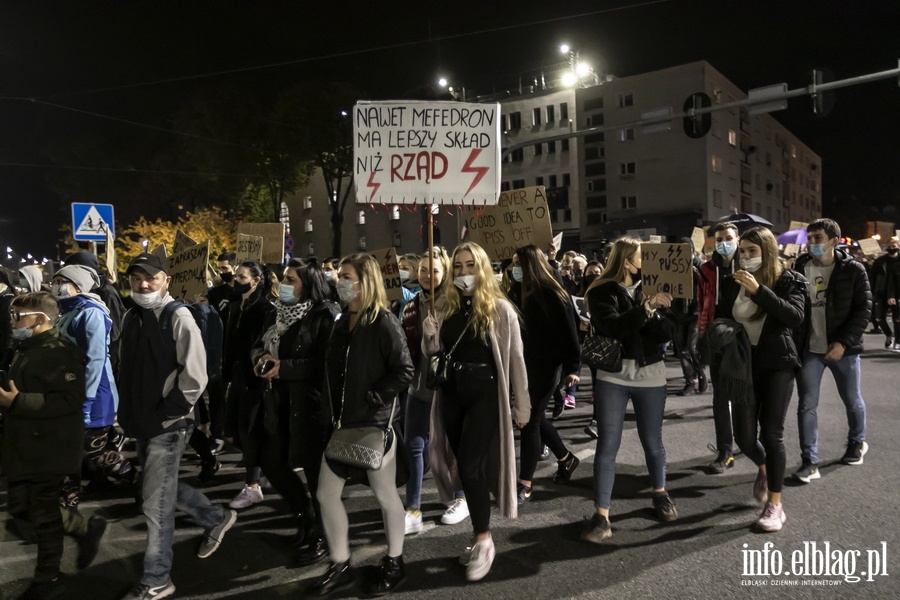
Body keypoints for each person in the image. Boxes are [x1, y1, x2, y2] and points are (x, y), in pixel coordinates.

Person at [119, 253, 237, 600]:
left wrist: (170, 413)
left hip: (169, 425)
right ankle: (214, 517)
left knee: (155, 505)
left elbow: (195, 375)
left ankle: (156, 578)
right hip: (142, 422)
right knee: (154, 491)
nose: (143, 284)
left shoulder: (178, 316)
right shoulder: (130, 316)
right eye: (136, 278)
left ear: (166, 281)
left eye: (151, 278)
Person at [307, 253, 413, 597]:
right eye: (340, 276)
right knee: (326, 494)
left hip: (373, 425)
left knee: (385, 497)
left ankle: (395, 562)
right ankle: (340, 563)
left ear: (365, 281)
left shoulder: (383, 322)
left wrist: (376, 399)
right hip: (341, 424)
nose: (340, 282)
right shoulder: (341, 322)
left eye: (347, 276)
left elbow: (404, 370)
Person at [423, 242, 530, 581]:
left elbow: (516, 361)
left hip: (485, 395)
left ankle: (484, 539)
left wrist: (521, 404)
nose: (463, 272)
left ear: (482, 268)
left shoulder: (500, 309)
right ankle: (479, 535)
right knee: (466, 468)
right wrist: (429, 339)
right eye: (458, 266)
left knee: (470, 466)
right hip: (452, 395)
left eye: (470, 265)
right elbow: (435, 356)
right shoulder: (444, 306)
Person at [581, 238, 677, 544]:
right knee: (608, 444)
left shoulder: (664, 285)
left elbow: (668, 332)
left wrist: (657, 310)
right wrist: (646, 307)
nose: (647, 264)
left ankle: (660, 493)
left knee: (652, 440)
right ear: (626, 261)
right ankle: (601, 516)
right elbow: (613, 328)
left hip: (651, 374)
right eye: (641, 258)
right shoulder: (600, 290)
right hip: (614, 375)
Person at [715, 226, 807, 532]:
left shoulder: (789, 279)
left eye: (751, 251)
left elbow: (793, 317)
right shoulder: (732, 282)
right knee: (743, 436)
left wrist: (758, 290)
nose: (745, 257)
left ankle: (775, 506)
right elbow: (723, 315)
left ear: (767, 251)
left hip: (778, 363)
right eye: (742, 251)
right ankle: (766, 468)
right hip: (743, 365)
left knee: (772, 434)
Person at [251, 258, 340, 566]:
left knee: (318, 478)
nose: (284, 285)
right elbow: (259, 344)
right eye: (284, 279)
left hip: (310, 407)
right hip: (278, 404)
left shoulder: (324, 315)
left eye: (291, 281)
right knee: (271, 462)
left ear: (308, 286)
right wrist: (260, 358)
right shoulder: (277, 313)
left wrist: (284, 368)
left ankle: (322, 538)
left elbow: (325, 364)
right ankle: (304, 515)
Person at [1, 292, 85, 599]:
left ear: (39, 319)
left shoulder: (59, 351)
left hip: (50, 445)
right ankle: (80, 527)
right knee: (21, 508)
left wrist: (17, 401)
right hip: (27, 443)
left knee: (42, 512)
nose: (13, 322)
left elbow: (71, 399)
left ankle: (48, 576)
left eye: (18, 316)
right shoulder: (28, 347)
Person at [793, 219, 871, 483]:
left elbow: (863, 310)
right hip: (810, 350)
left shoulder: (853, 270)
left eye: (817, 238)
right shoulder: (799, 266)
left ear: (833, 242)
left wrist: (844, 343)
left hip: (843, 349)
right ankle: (809, 461)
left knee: (852, 399)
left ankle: (857, 442)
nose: (812, 243)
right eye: (810, 238)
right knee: (806, 406)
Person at [399, 247, 470, 534]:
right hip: (418, 386)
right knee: (414, 445)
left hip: (447, 386)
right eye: (424, 270)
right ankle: (413, 508)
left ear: (446, 272)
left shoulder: (455, 303)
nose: (428, 276)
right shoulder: (412, 304)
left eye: (435, 270)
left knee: (452, 445)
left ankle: (461, 497)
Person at [508, 245, 581, 504]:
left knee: (528, 422)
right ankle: (566, 458)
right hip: (522, 365)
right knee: (535, 417)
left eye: (518, 263)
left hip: (547, 366)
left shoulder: (553, 294)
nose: (513, 268)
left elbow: (570, 330)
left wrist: (574, 368)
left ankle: (524, 483)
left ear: (530, 266)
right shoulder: (515, 291)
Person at [223, 261, 275, 510]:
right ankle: (265, 468)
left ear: (256, 281)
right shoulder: (237, 305)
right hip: (238, 374)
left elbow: (261, 344)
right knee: (233, 429)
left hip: (254, 377)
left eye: (242, 276)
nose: (236, 280)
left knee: (249, 430)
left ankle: (252, 486)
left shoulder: (265, 308)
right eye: (235, 275)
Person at [697, 222, 741, 474]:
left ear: (738, 239)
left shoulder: (748, 265)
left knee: (747, 394)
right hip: (717, 339)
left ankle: (749, 440)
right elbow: (702, 304)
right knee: (720, 397)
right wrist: (702, 334)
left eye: (728, 238)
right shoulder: (705, 269)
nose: (723, 242)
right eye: (719, 239)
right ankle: (725, 450)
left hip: (745, 339)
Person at [670, 238, 705, 396]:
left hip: (695, 313)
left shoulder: (700, 266)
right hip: (678, 314)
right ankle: (689, 383)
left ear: (691, 249)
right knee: (681, 350)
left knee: (691, 347)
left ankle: (700, 372)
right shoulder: (671, 267)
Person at [871, 239, 900, 350]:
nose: (891, 248)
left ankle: (898, 341)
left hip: (897, 294)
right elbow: (872, 278)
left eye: (894, 246)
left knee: (897, 320)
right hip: (881, 293)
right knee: (879, 319)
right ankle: (889, 335)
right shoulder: (880, 262)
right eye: (889, 246)